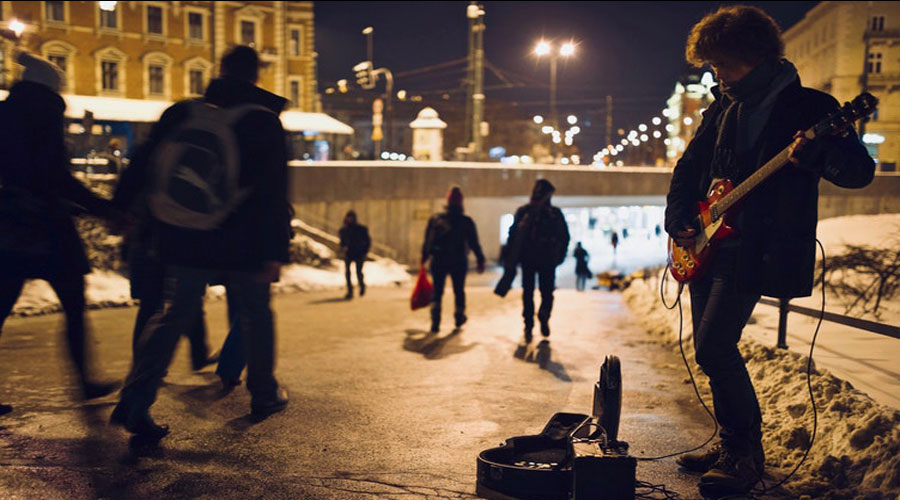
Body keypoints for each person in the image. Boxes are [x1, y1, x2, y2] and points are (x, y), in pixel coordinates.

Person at [666, 6, 875, 498]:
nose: (716, 74)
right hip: (708, 243)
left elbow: (859, 173)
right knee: (711, 350)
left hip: (758, 247)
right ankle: (732, 441)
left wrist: (818, 153)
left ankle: (746, 455)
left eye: (722, 64)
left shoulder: (809, 107)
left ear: (753, 56)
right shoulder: (724, 106)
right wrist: (679, 220)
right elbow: (689, 167)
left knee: (714, 346)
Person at [110, 46, 292, 439]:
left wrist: (121, 207)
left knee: (175, 312)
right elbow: (273, 194)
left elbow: (142, 160)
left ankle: (136, 399)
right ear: (255, 77)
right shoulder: (263, 122)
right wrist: (275, 251)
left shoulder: (183, 112)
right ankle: (263, 392)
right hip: (243, 240)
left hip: (185, 232)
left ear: (220, 71)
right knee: (255, 312)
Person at [0, 52, 121, 412]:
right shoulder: (45, 114)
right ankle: (84, 381)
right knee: (72, 300)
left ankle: (86, 381)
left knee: (1, 306)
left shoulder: (6, 114)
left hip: (8, 224)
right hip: (47, 226)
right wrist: (103, 208)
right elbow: (55, 177)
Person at [505, 179, 570, 343]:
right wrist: (559, 257)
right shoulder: (554, 213)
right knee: (547, 292)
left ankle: (528, 325)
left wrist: (512, 258)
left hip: (528, 259)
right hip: (547, 260)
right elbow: (564, 237)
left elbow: (512, 236)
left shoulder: (523, 211)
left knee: (528, 293)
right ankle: (544, 315)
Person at [421, 186, 485, 333]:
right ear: (461, 203)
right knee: (459, 290)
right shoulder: (466, 221)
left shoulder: (436, 219)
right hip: (459, 260)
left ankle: (435, 321)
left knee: (437, 291)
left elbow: (427, 240)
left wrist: (424, 256)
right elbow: (474, 242)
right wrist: (480, 259)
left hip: (438, 259)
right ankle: (459, 317)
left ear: (447, 201)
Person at [339, 210, 371, 299]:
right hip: (349, 253)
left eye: (351, 217)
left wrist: (364, 251)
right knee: (348, 273)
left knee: (358, 272)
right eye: (348, 217)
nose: (349, 219)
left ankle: (361, 286)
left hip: (359, 253)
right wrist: (342, 249)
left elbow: (367, 241)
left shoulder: (361, 229)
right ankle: (350, 291)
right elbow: (342, 242)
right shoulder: (343, 230)